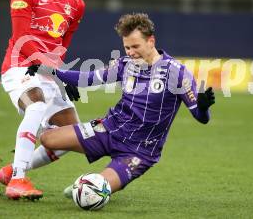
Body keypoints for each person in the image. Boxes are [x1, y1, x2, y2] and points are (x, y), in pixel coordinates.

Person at [26, 13, 215, 195]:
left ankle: (85, 187)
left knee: (95, 191)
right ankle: (19, 169)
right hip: (108, 130)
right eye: (127, 48)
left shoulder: (177, 73)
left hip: (139, 150)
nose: (131, 53)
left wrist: (204, 107)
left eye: (135, 46)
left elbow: (201, 117)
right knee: (47, 139)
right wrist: (50, 70)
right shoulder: (125, 64)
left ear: (151, 41)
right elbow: (88, 78)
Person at [0, 0, 85, 200]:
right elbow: (22, 40)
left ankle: (13, 169)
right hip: (19, 67)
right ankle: (18, 180)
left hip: (46, 72)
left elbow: (60, 47)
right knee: (35, 105)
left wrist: (61, 75)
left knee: (71, 138)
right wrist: (55, 72)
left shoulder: (76, 3)